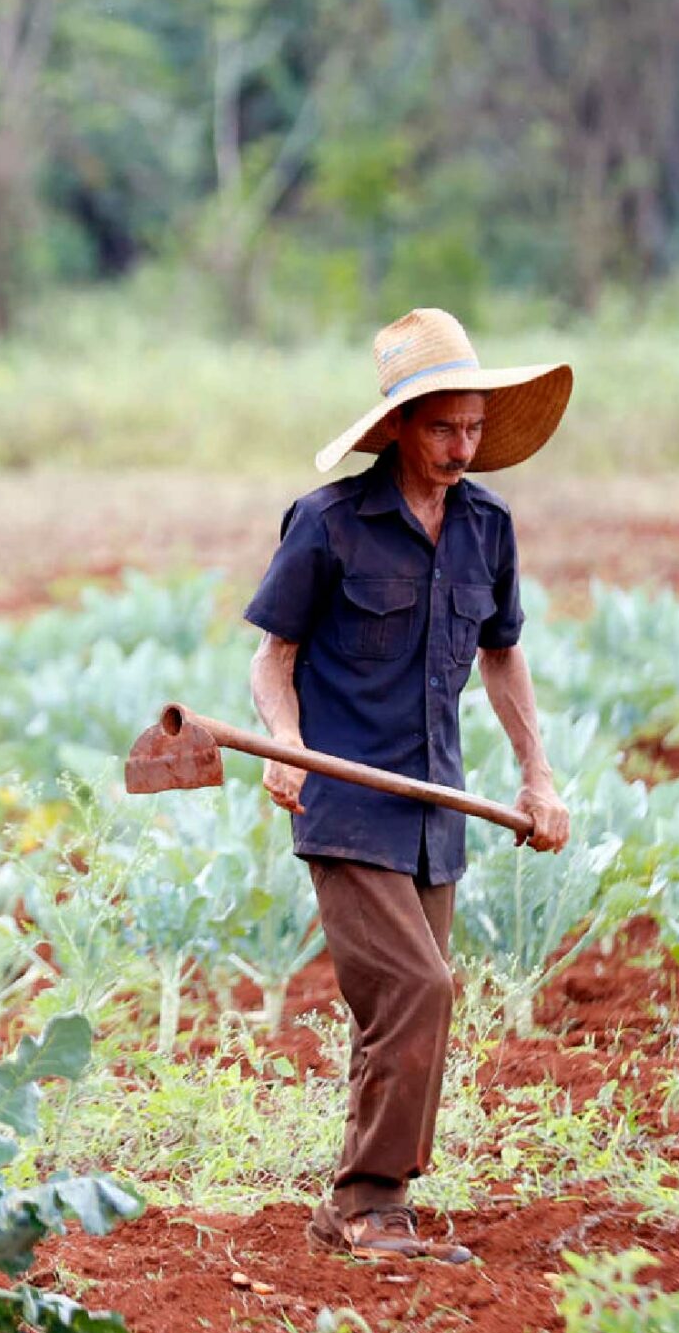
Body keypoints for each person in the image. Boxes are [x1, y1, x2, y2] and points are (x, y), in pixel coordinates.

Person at [242, 309, 574, 1264]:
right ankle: (370, 1204)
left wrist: (537, 774)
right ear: (396, 425)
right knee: (421, 988)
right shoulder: (329, 525)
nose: (462, 448)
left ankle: (354, 1209)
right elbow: (276, 657)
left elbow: (504, 660)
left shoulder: (487, 529)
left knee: (396, 1010)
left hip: (438, 811)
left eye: (473, 428)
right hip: (342, 801)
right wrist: (283, 740)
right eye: (443, 429)